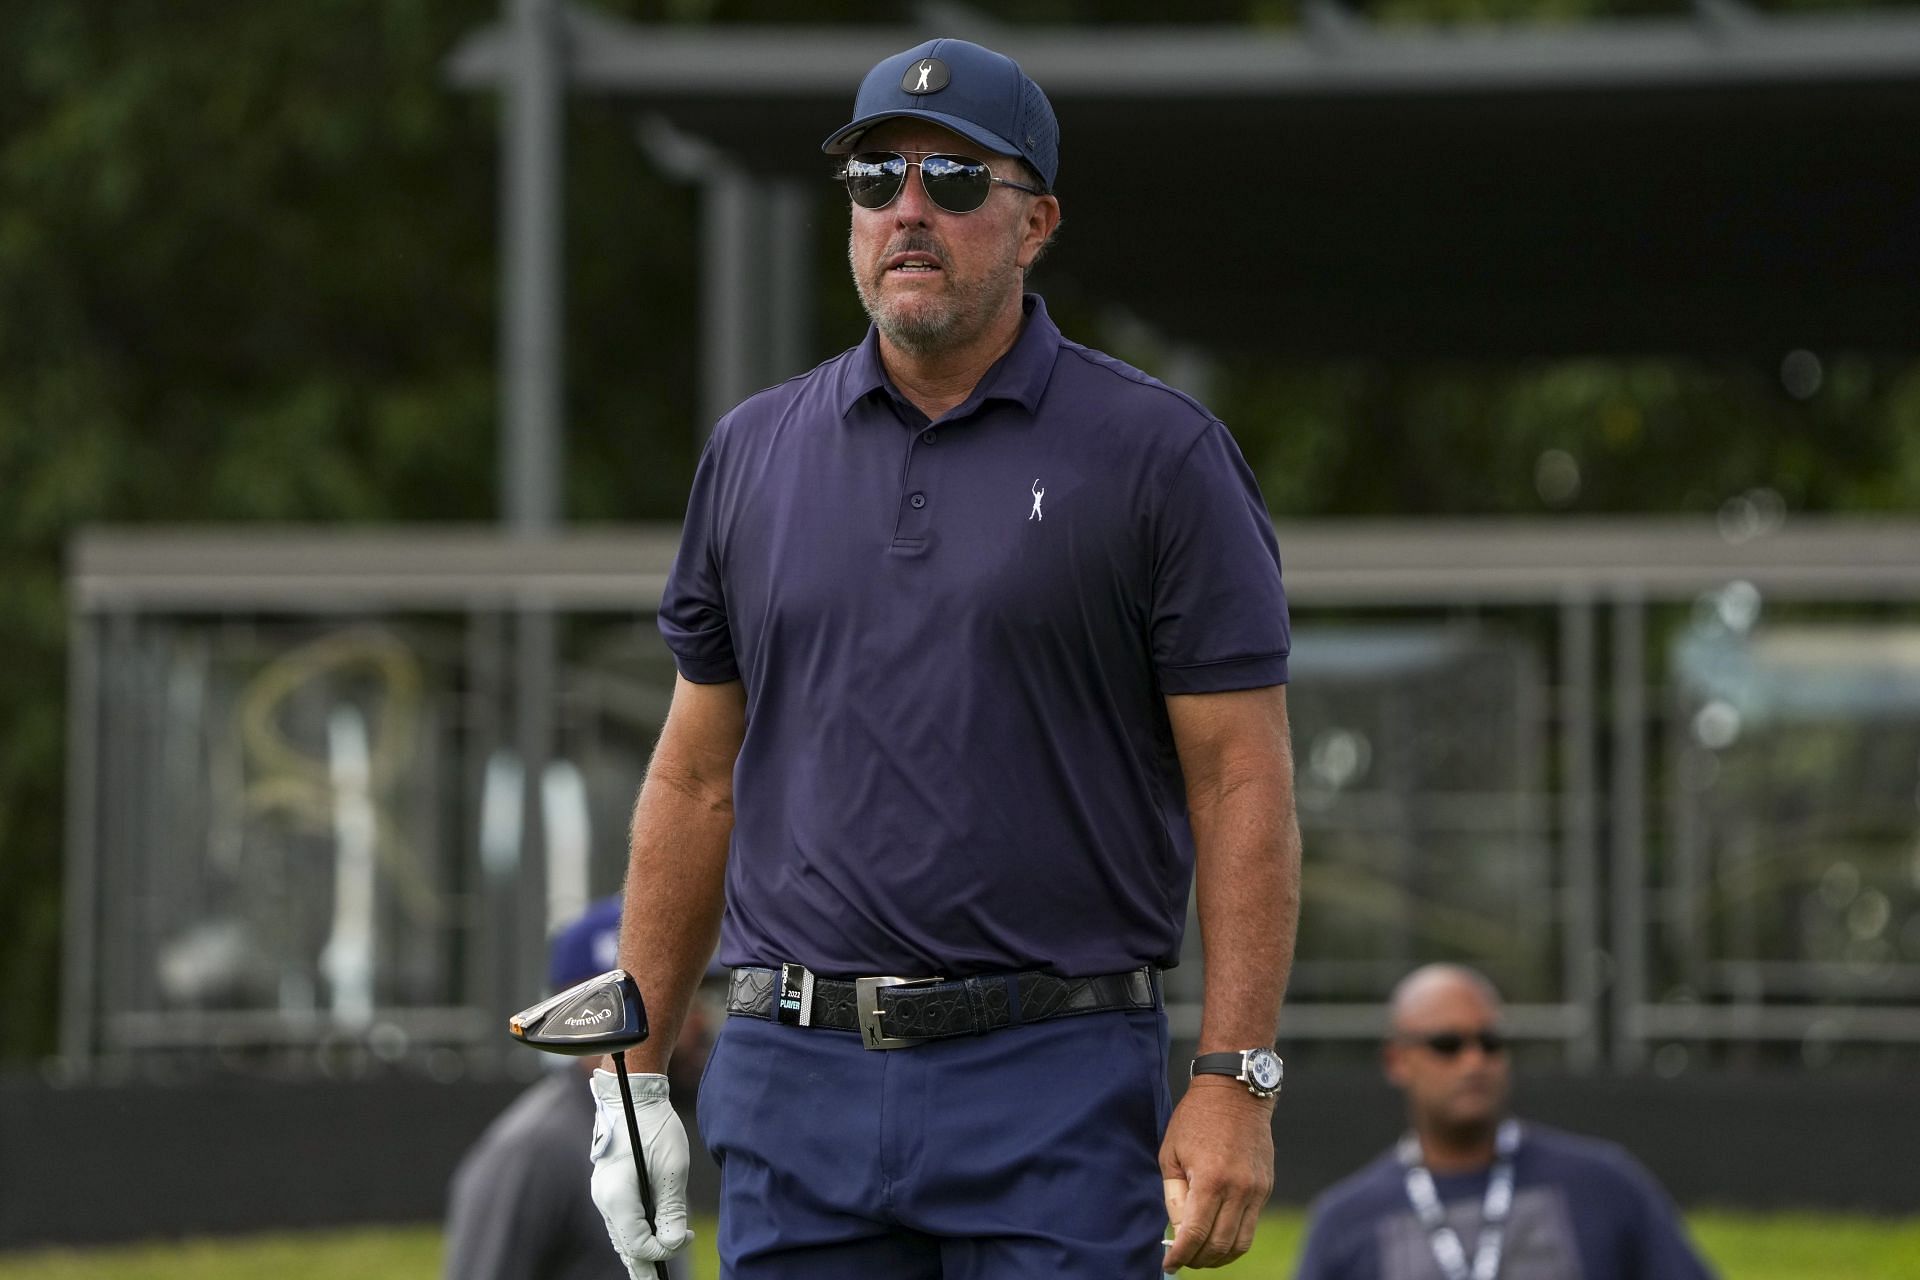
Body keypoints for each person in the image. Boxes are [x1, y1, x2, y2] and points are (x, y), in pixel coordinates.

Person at [587, 36, 1301, 1279]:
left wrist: (1236, 1075)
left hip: (1055, 1079)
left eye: (955, 180)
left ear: (1035, 222)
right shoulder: (753, 452)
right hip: (794, 1080)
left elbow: (1243, 781)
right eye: (875, 181)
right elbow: (698, 778)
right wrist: (633, 1076)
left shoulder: (1159, 456)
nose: (908, 210)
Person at [1294, 964, 1717, 1280]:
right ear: (1396, 1060)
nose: (1474, 1061)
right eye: (1447, 1045)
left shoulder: (1605, 1187)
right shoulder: (1345, 1222)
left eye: (1490, 1042)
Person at [445, 897, 691, 1280]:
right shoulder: (532, 1149)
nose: (702, 1018)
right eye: (681, 996)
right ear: (596, 1009)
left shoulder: (646, 1128)